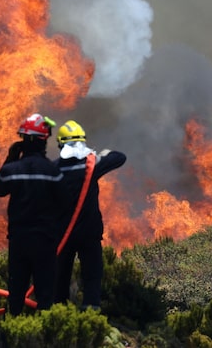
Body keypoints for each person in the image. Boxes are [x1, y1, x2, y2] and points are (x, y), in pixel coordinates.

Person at [0, 112, 63, 315]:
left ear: (24, 140)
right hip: (45, 240)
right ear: (42, 141)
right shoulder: (53, 171)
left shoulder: (13, 169)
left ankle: (13, 330)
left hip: (19, 240)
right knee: (45, 293)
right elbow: (63, 202)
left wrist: (10, 158)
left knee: (16, 291)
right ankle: (44, 334)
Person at [54, 119, 126, 310]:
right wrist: (102, 153)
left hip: (63, 234)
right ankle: (90, 313)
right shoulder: (91, 165)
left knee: (60, 276)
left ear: (60, 144)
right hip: (89, 233)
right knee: (92, 275)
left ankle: (58, 313)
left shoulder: (54, 169)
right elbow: (119, 157)